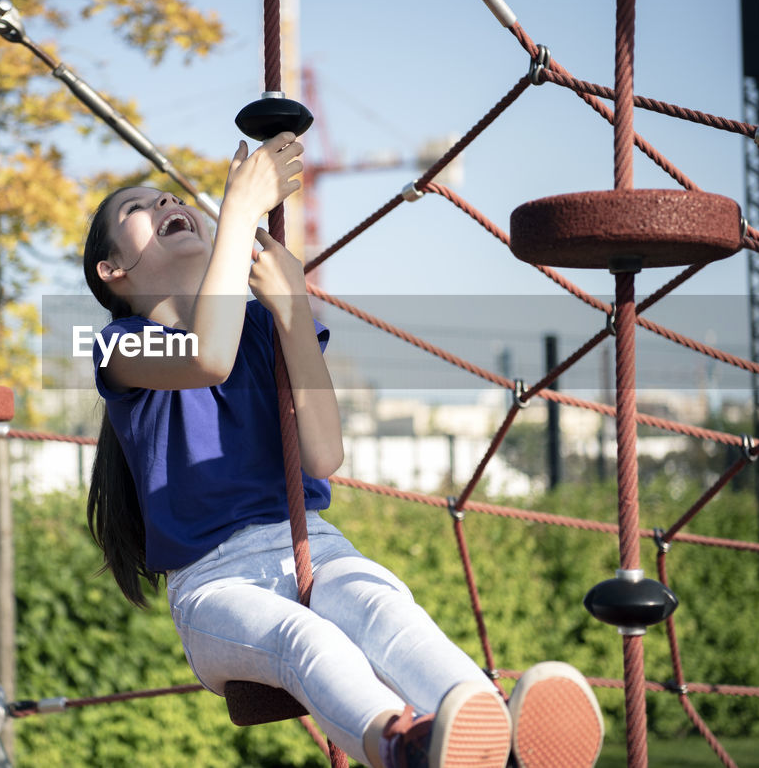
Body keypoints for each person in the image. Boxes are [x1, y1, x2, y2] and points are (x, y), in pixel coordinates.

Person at [82, 132, 604, 767]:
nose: (163, 198)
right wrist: (241, 214)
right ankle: (401, 743)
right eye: (136, 209)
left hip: (310, 544)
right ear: (114, 272)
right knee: (301, 637)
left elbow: (324, 455)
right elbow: (206, 358)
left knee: (378, 602)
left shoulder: (261, 328)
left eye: (164, 195)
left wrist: (294, 310)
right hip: (213, 582)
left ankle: (485, 723)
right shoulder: (120, 346)